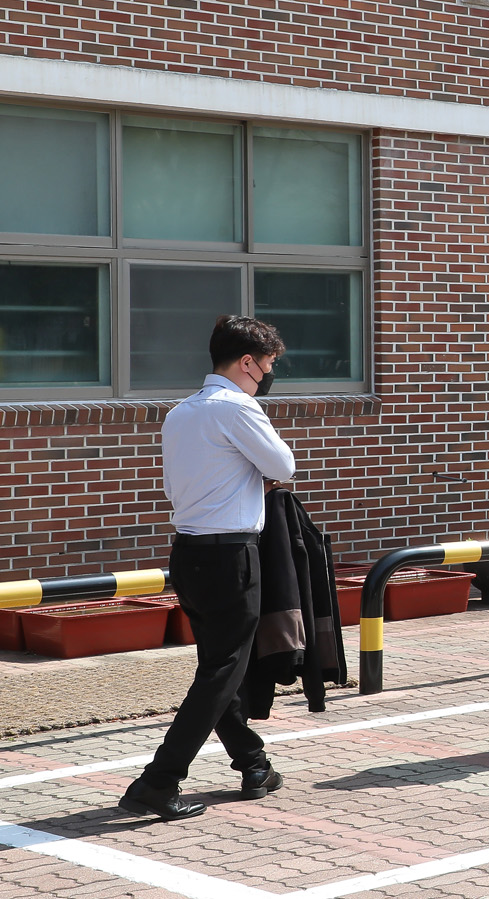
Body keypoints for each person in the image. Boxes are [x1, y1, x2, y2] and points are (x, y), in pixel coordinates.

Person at [121, 317, 296, 822]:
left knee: (220, 666)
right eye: (267, 365)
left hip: (189, 553)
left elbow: (184, 489)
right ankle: (159, 781)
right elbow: (284, 466)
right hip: (230, 557)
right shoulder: (239, 408)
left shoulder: (180, 413)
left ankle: (252, 762)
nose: (267, 375)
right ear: (246, 362)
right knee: (222, 672)